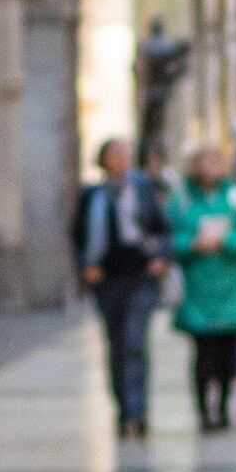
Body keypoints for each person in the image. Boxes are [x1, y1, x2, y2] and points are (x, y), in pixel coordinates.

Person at [77, 139, 172, 439]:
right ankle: (122, 410)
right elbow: (77, 234)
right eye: (114, 153)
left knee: (134, 342)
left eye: (125, 153)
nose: (121, 158)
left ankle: (138, 410)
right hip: (106, 279)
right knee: (116, 345)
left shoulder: (143, 190)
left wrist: (161, 258)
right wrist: (85, 265)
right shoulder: (91, 194)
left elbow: (162, 228)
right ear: (103, 159)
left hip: (140, 277)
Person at [169, 142, 236, 435]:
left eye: (215, 162)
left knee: (227, 352)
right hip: (197, 286)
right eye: (203, 162)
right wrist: (192, 244)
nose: (209, 168)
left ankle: (221, 406)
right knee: (202, 352)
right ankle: (202, 410)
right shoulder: (182, 198)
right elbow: (169, 235)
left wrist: (226, 241)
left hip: (231, 285)